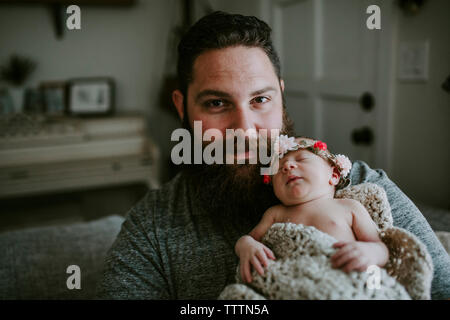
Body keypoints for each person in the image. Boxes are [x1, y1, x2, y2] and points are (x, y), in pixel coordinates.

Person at [97, 11, 450, 299]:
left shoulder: (361, 186)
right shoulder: (152, 229)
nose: (245, 129)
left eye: (260, 100)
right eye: (216, 103)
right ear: (182, 107)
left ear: (281, 97)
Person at [235, 136, 389, 283]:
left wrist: (370, 253)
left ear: (334, 175)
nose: (287, 167)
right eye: (279, 168)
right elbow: (248, 239)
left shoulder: (349, 207)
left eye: (302, 159)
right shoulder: (275, 213)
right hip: (295, 283)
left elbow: (381, 247)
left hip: (343, 279)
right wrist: (246, 246)